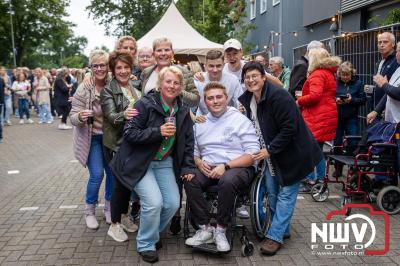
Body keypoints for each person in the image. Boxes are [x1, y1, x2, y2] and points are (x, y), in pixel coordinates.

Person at [110, 66, 196, 263]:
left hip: (164, 162)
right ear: (160, 83)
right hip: (140, 162)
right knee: (153, 202)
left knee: (173, 203)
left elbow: (189, 142)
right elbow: (129, 133)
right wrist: (158, 131)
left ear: (181, 87)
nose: (172, 86)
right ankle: (146, 243)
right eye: (168, 81)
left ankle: (151, 233)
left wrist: (188, 167)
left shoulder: (182, 110)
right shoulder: (145, 104)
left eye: (176, 83)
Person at [239, 61, 322, 256]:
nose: (251, 80)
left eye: (254, 76)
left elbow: (289, 129)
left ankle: (274, 237)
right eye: (247, 78)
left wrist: (269, 149)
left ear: (263, 77)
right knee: (273, 193)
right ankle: (282, 230)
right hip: (272, 156)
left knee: (286, 194)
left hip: (294, 153)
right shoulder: (249, 99)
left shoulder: (279, 97)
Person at [184, 82, 259, 252]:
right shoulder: (201, 123)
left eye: (219, 97)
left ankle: (221, 230)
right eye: (210, 98)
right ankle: (204, 228)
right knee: (190, 178)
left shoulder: (240, 120)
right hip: (209, 166)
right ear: (205, 101)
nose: (215, 101)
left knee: (227, 180)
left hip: (238, 166)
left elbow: (252, 154)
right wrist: (198, 162)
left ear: (227, 98)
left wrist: (226, 166)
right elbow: (194, 152)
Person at [70, 49, 115, 230]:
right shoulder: (84, 87)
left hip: (110, 139)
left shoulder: (113, 84)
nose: (99, 69)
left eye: (102, 65)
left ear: (107, 66)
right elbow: (73, 116)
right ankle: (89, 211)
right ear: (91, 67)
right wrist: (80, 116)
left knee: (112, 174)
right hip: (92, 139)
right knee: (97, 175)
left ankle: (109, 209)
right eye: (95, 66)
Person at [101, 50, 141, 241]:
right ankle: (114, 224)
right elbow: (110, 116)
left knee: (127, 184)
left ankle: (124, 216)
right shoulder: (108, 90)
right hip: (116, 144)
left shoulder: (135, 86)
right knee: (118, 185)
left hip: (132, 143)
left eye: (126, 67)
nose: (123, 71)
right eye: (119, 68)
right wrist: (124, 114)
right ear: (113, 70)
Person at [297, 48, 340, 192]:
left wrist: (300, 101)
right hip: (326, 115)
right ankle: (320, 180)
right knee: (318, 150)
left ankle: (312, 180)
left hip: (317, 116)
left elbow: (315, 96)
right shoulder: (329, 73)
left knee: (309, 150)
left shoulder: (317, 74)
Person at [140, 37, 200, 108]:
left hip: (175, 117)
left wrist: (178, 91)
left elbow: (195, 100)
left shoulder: (184, 72)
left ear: (172, 53)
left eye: (167, 50)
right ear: (153, 54)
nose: (163, 53)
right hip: (149, 117)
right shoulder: (146, 72)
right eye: (159, 50)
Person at [369, 42, 400, 169]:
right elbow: (388, 94)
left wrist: (384, 84)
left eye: (398, 51)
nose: (396, 54)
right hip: (393, 122)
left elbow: (398, 93)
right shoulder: (398, 69)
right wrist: (376, 111)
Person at [193, 50, 242, 121]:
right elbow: (186, 105)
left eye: (218, 66)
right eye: (211, 66)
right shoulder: (198, 80)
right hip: (204, 120)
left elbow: (239, 101)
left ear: (223, 65)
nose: (215, 70)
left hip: (227, 120)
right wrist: (194, 118)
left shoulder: (233, 80)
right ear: (205, 66)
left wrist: (239, 111)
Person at [367, 32, 399, 122]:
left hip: (388, 112)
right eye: (379, 42)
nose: (381, 45)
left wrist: (381, 109)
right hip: (376, 108)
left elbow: (393, 87)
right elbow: (381, 84)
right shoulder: (379, 62)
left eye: (385, 42)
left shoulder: (396, 62)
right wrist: (372, 88)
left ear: (393, 44)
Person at [334, 62, 366, 147]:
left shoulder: (358, 83)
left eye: (347, 75)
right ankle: (336, 158)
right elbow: (329, 96)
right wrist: (335, 100)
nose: (344, 77)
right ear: (339, 74)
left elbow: (363, 100)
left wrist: (352, 100)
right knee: (337, 141)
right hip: (337, 117)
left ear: (352, 74)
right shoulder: (335, 82)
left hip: (351, 117)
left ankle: (351, 157)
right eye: (342, 75)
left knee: (353, 141)